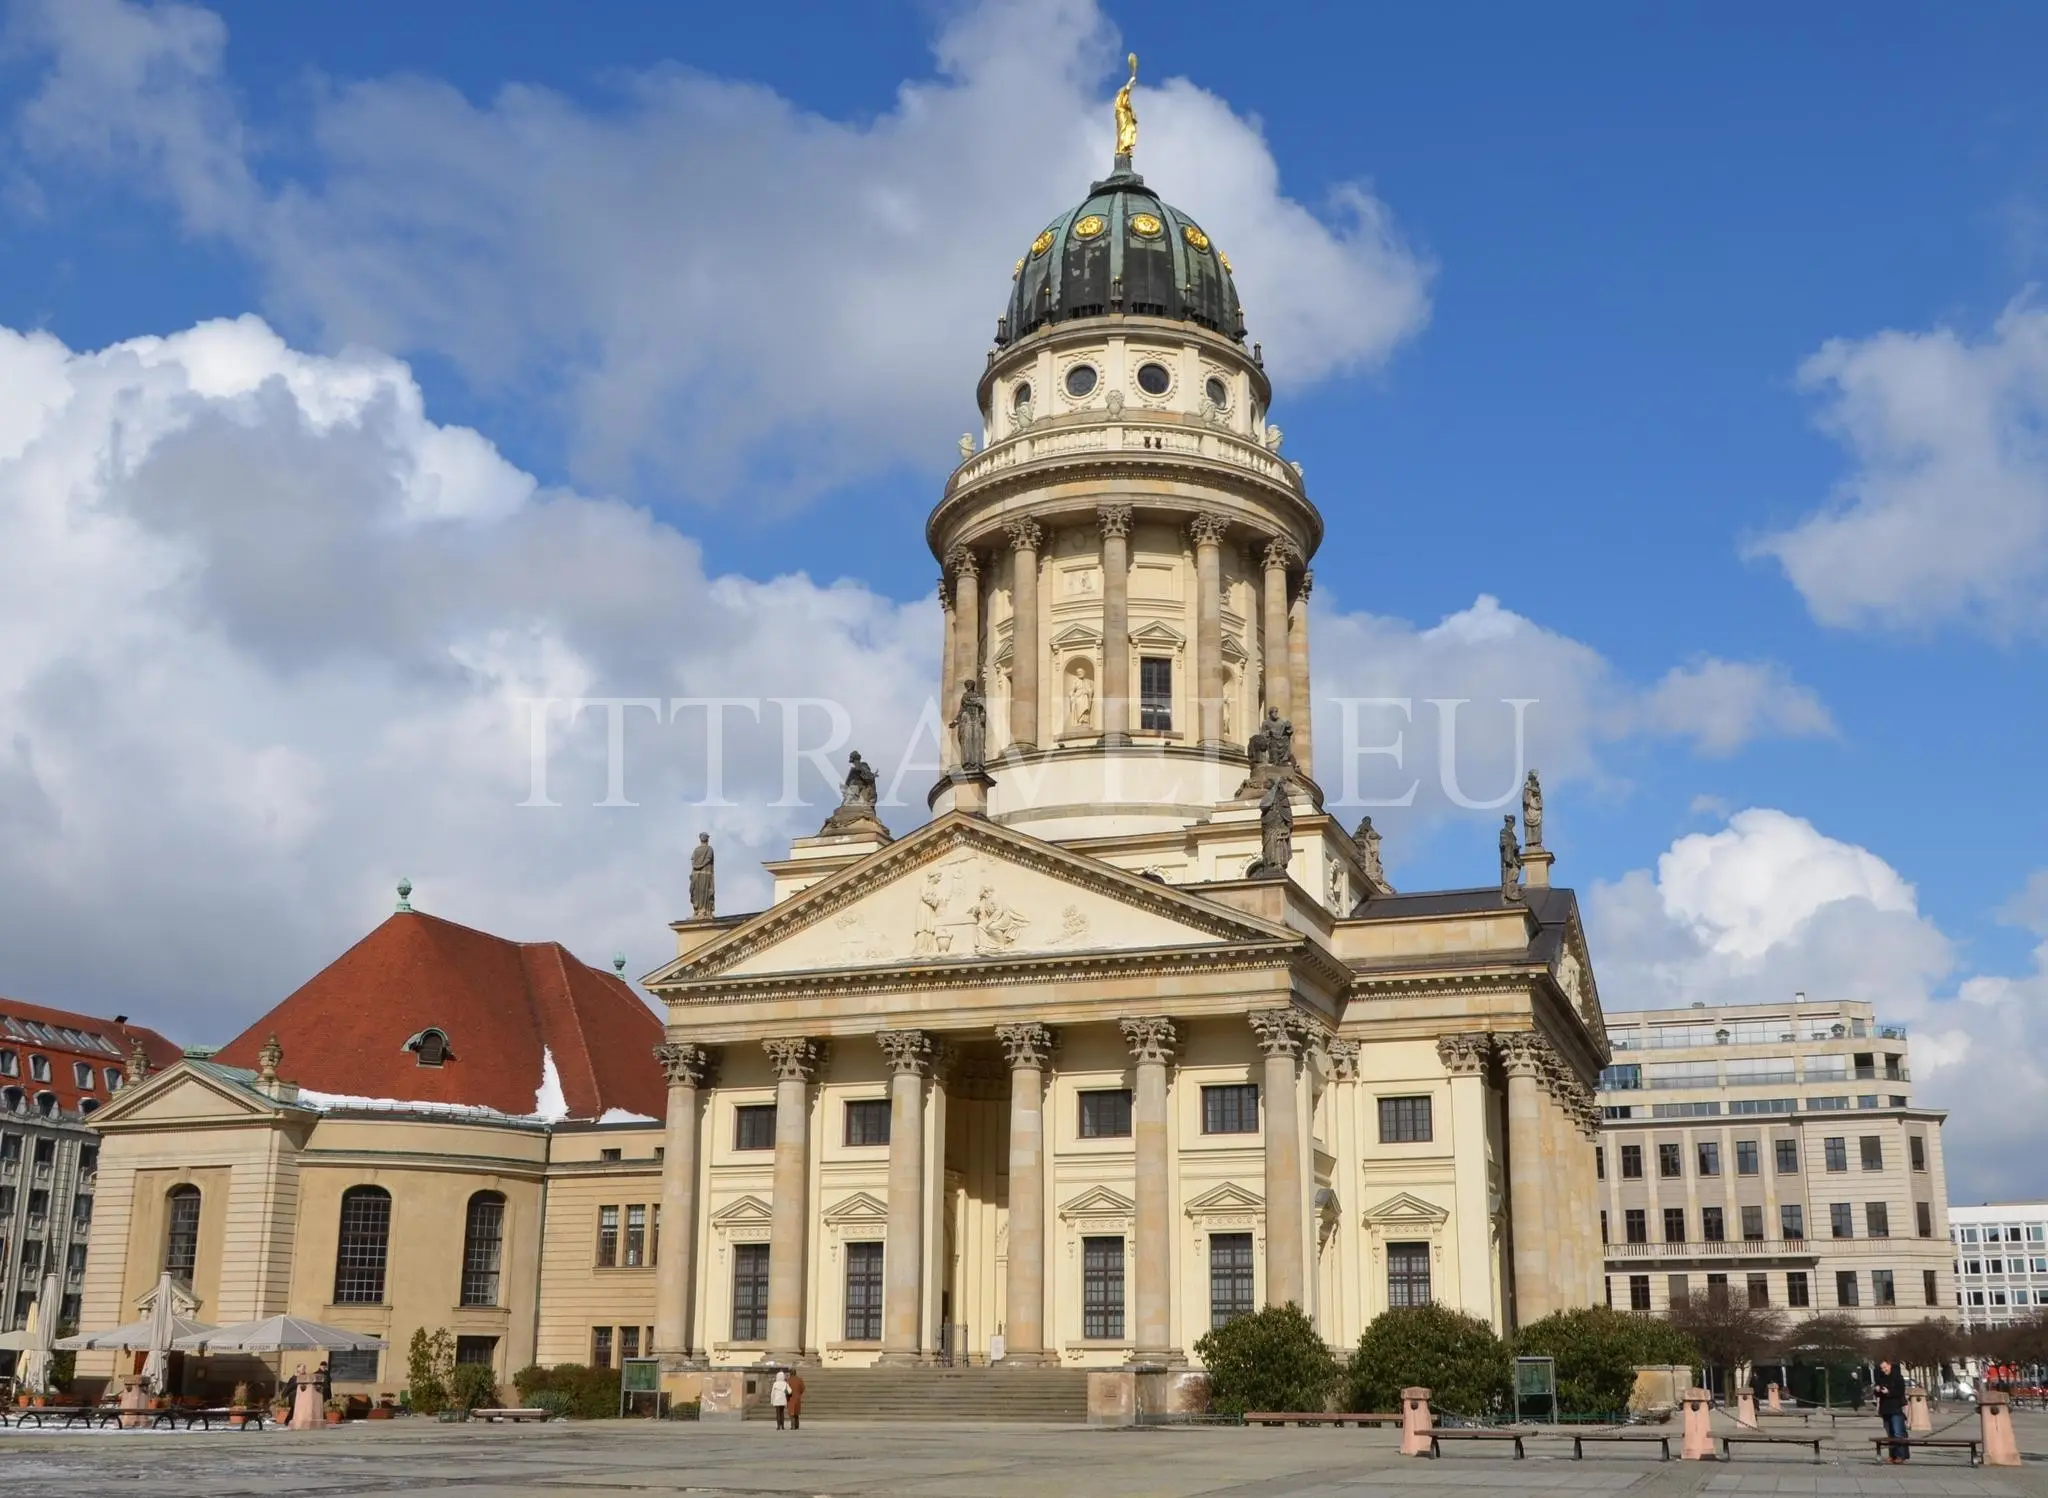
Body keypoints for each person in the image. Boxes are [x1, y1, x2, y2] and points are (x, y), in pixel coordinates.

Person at [1875, 1357, 1909, 1463]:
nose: (1883, 1370)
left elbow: (1900, 1392)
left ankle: (1901, 1456)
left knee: (1898, 1433)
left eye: (1884, 1367)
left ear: (1889, 1365)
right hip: (1885, 1409)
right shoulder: (1881, 1378)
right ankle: (1892, 1455)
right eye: (1881, 1368)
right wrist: (1877, 1390)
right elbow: (1877, 1394)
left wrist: (1888, 1392)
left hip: (1895, 1408)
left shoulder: (1898, 1377)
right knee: (1890, 1434)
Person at [289, 1361, 321, 1430]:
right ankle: (291, 1422)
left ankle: (293, 1421)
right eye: (303, 1368)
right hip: (294, 1395)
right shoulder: (294, 1377)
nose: (304, 1369)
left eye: (305, 1368)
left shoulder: (305, 1376)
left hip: (303, 1396)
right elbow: (290, 1387)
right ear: (298, 1369)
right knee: (294, 1409)